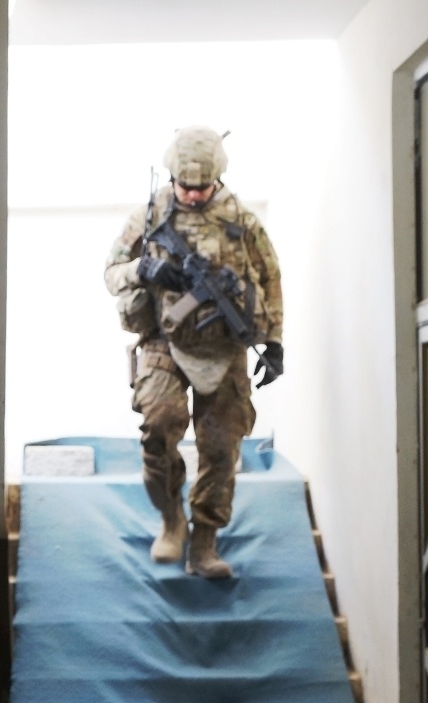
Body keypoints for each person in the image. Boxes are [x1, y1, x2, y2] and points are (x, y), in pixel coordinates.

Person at [105, 125, 284, 578]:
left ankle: (204, 544)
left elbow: (270, 278)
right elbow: (111, 273)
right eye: (184, 186)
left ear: (218, 179)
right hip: (164, 341)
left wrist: (275, 340)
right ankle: (171, 522)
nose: (192, 194)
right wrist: (144, 269)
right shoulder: (148, 216)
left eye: (202, 187)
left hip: (224, 346)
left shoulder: (241, 221)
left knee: (222, 448)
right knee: (158, 429)